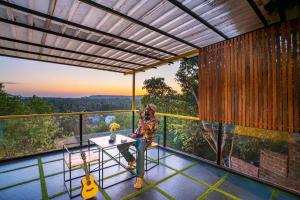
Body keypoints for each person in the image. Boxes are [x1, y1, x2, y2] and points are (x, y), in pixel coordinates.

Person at [117, 104, 159, 189]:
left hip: (146, 139)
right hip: (137, 137)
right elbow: (139, 128)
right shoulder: (144, 118)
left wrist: (140, 118)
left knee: (140, 150)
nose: (146, 111)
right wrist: (134, 134)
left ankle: (139, 178)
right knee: (121, 145)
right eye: (146, 109)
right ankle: (132, 160)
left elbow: (145, 127)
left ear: (152, 111)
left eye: (148, 109)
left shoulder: (155, 121)